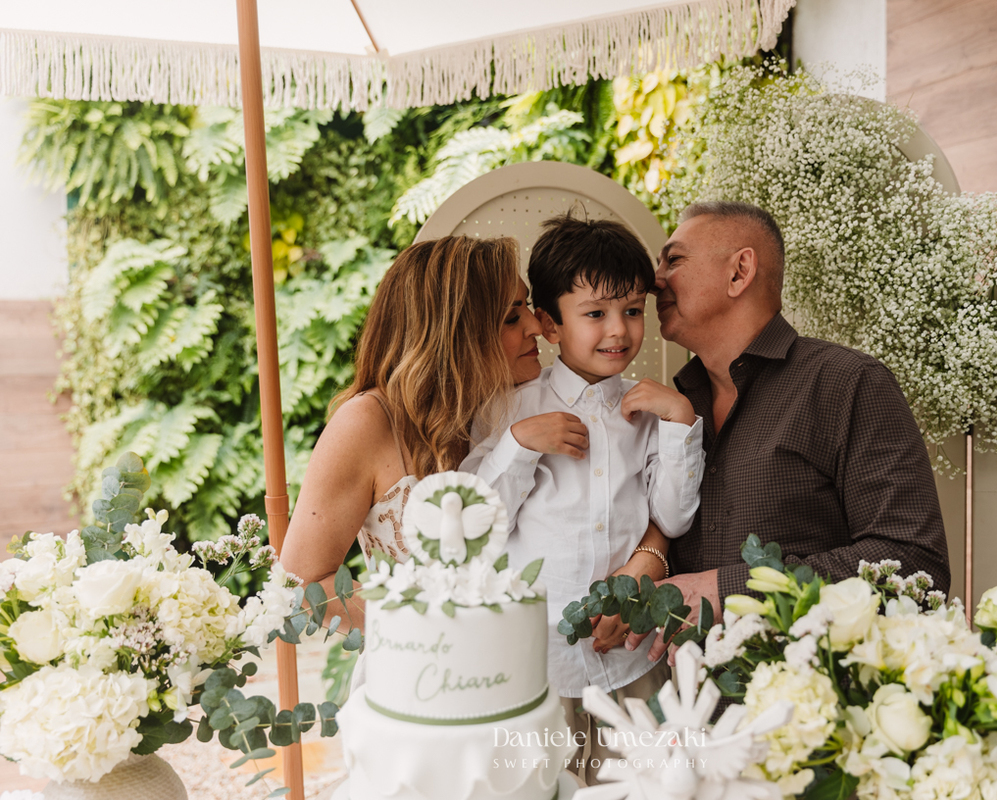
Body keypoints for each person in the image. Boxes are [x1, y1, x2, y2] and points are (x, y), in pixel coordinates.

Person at [626, 200, 951, 664]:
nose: (654, 279)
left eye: (673, 260)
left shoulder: (849, 384)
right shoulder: (672, 408)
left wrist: (730, 589)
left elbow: (916, 566)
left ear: (740, 272)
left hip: (811, 717)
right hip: (686, 713)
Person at [460, 213, 704, 783]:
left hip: (631, 660)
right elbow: (476, 525)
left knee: (643, 786)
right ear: (548, 322)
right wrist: (521, 446)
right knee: (544, 786)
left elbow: (673, 516)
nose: (618, 330)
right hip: (538, 665)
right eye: (595, 314)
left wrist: (679, 423)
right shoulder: (510, 409)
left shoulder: (649, 413)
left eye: (633, 311)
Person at [280, 235, 543, 632]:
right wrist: (420, 628)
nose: (536, 326)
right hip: (415, 676)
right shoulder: (365, 424)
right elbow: (299, 585)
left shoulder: (527, 406)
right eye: (512, 317)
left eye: (529, 308)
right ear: (456, 333)